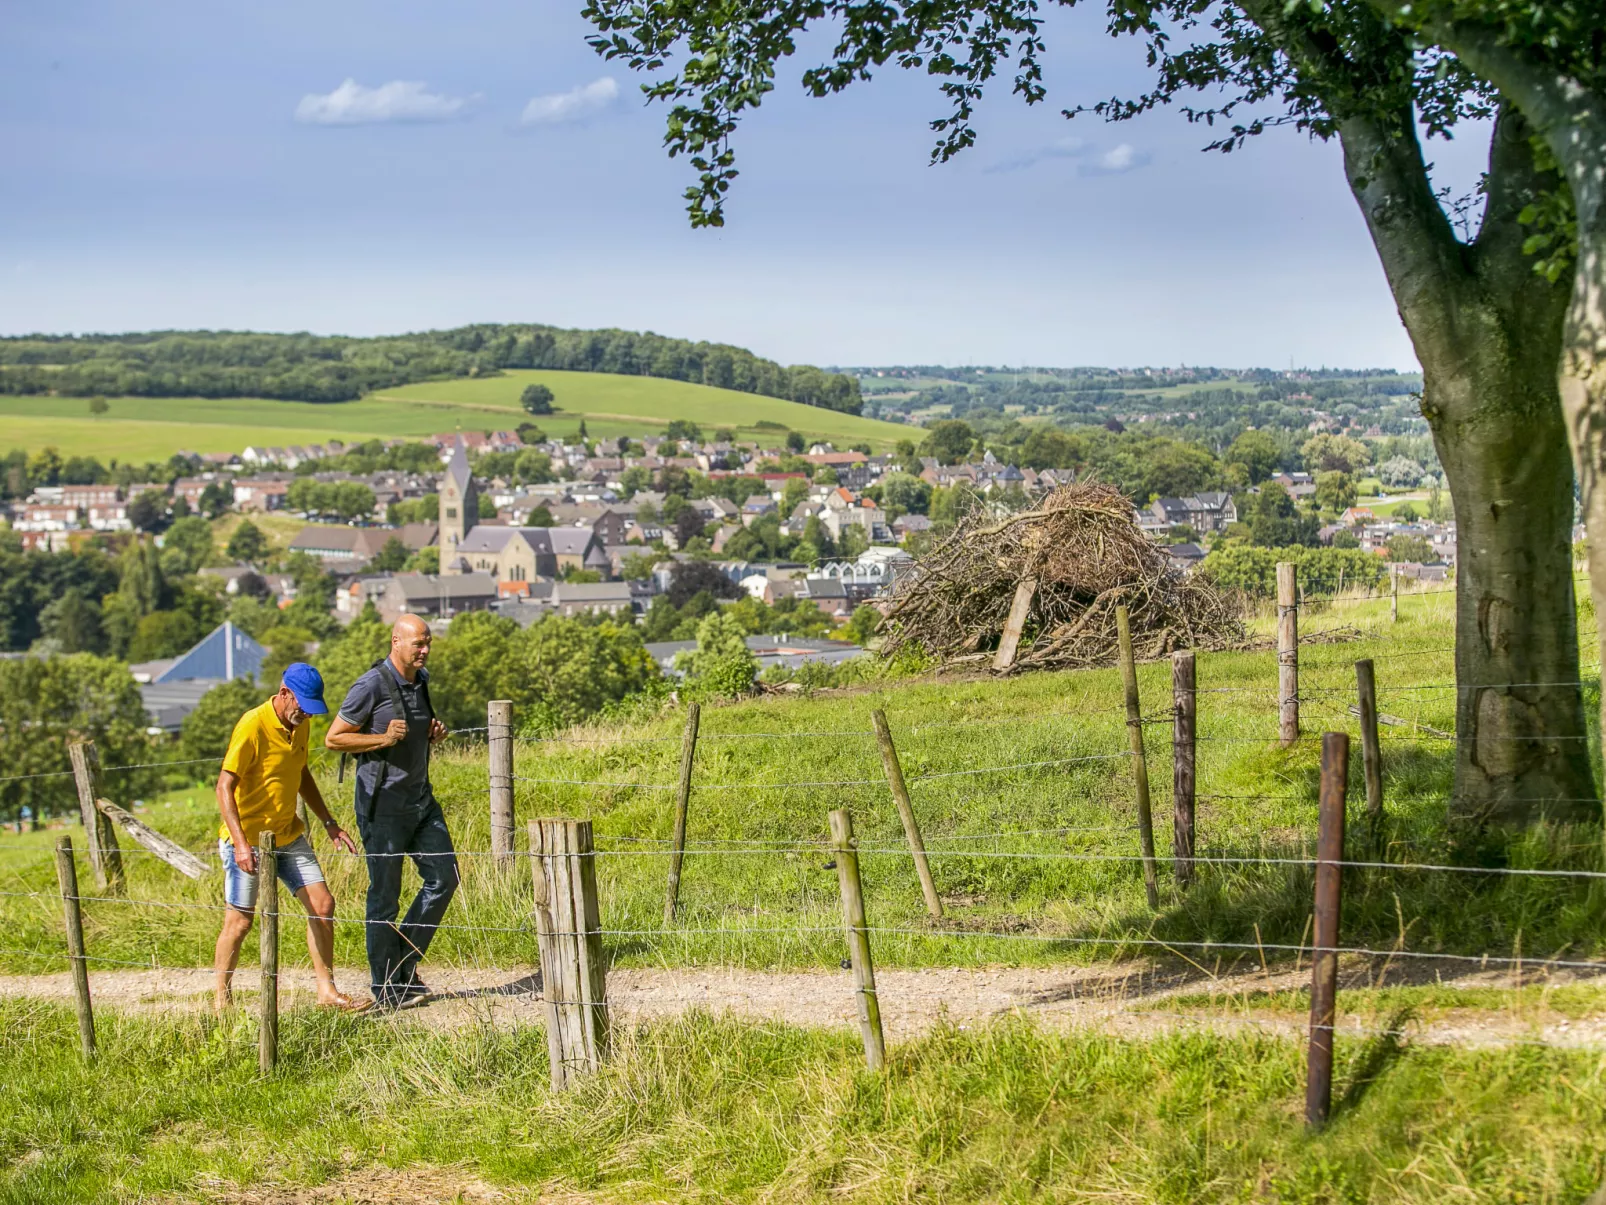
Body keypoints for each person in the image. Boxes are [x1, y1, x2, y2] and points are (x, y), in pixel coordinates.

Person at [214, 663, 367, 1013]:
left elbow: (300, 773)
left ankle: (327, 992)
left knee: (323, 905)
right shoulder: (252, 725)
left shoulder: (301, 722)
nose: (306, 714)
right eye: (302, 705)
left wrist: (328, 822)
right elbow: (224, 786)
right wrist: (239, 843)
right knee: (240, 922)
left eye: (312, 708)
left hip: (288, 834)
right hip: (248, 838)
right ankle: (221, 999)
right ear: (284, 694)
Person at [326, 613, 457, 1010]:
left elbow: (412, 731)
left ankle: (402, 964)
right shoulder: (371, 685)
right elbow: (334, 739)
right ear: (396, 641)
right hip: (382, 806)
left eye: (428, 642)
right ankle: (385, 987)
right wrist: (382, 738)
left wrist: (432, 733)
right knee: (384, 898)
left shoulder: (422, 681)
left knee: (444, 878)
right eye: (418, 643)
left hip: (420, 800)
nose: (425, 649)